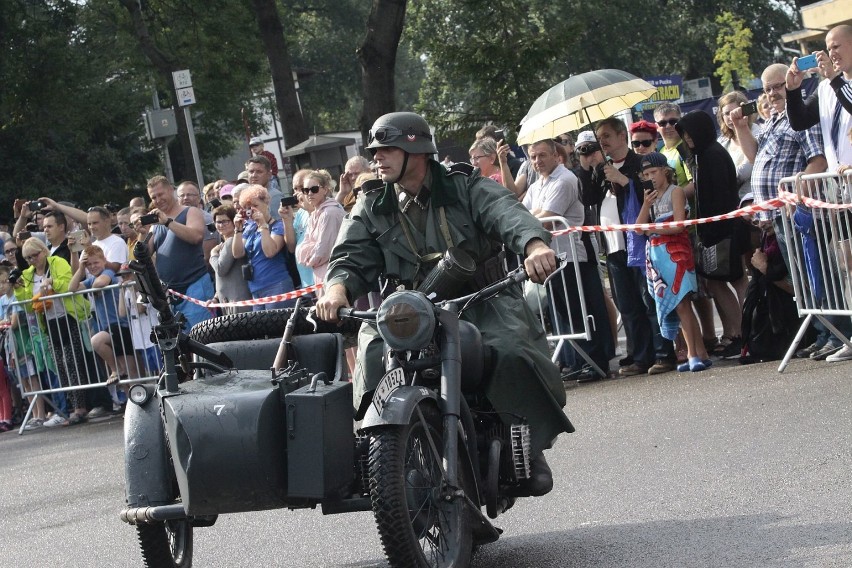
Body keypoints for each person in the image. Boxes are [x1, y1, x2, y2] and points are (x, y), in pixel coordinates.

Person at [317, 111, 575, 496]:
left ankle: (527, 446)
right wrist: (336, 290)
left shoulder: (463, 185)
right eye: (375, 151)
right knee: (372, 356)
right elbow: (350, 254)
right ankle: (379, 450)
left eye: (387, 149)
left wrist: (534, 244)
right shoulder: (373, 204)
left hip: (478, 298)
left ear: (416, 151)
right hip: (408, 310)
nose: (378, 159)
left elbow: (506, 212)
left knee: (510, 350)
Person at [580, 117, 676, 376]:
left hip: (638, 243)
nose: (603, 143)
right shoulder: (602, 167)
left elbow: (651, 191)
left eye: (607, 136)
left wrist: (623, 180)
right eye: (599, 138)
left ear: (622, 136)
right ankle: (641, 356)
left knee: (649, 300)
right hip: (613, 246)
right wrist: (587, 168)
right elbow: (587, 198)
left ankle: (663, 353)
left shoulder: (638, 163)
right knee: (628, 305)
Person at [523, 139, 614, 381]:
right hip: (553, 259)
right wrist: (532, 216)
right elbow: (523, 213)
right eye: (533, 157)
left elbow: (548, 216)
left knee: (582, 309)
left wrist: (531, 217)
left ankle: (594, 360)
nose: (537, 161)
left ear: (556, 155)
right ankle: (574, 361)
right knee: (561, 312)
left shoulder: (564, 179)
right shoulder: (536, 185)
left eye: (542, 155)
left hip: (575, 256)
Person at [677, 110, 749, 358]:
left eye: (688, 134)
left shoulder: (713, 156)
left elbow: (718, 198)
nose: (686, 139)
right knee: (718, 282)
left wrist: (711, 230)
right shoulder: (703, 156)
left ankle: (744, 332)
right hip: (715, 231)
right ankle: (741, 332)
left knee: (731, 281)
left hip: (722, 230)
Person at [634, 152, 709, 371]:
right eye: (646, 174)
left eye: (654, 172)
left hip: (677, 252)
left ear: (665, 171)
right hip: (659, 256)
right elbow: (638, 228)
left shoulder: (675, 192)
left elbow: (679, 225)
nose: (651, 177)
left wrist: (653, 229)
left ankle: (693, 353)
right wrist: (646, 206)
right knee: (678, 306)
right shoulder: (651, 197)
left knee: (683, 303)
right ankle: (700, 352)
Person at [15, 237, 92, 425]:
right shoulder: (28, 274)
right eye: (28, 258)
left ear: (43, 250)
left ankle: (80, 408)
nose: (33, 260)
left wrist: (51, 282)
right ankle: (72, 407)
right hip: (48, 322)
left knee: (72, 361)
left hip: (68, 316)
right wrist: (18, 289)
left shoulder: (57, 262)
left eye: (35, 255)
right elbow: (27, 305)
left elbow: (68, 285)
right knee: (60, 366)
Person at [145, 175, 214, 331]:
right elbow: (145, 253)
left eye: (160, 194)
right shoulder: (155, 222)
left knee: (205, 336)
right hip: (171, 294)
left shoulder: (191, 212)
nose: (157, 199)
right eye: (153, 197)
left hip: (195, 285)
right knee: (183, 345)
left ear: (171, 190)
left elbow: (196, 236)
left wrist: (168, 222)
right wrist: (142, 233)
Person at [69, 246, 134, 389]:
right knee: (125, 380)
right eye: (89, 264)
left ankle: (116, 370)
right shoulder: (91, 279)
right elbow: (72, 288)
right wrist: (80, 269)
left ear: (104, 260)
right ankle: (119, 373)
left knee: (97, 342)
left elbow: (101, 283)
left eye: (95, 263)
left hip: (120, 325)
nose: (92, 267)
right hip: (109, 328)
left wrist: (93, 286)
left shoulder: (108, 272)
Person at [232, 184, 297, 310]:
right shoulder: (249, 227)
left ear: (266, 203)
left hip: (276, 285)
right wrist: (237, 230)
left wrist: (263, 225)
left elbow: (270, 252)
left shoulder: (277, 225)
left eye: (255, 206)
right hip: (256, 288)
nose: (251, 210)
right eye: (247, 208)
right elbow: (237, 253)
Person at [295, 169, 346, 286]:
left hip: (333, 275)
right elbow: (301, 248)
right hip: (321, 275)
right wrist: (309, 252)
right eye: (305, 190)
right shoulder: (314, 214)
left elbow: (322, 252)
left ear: (325, 190)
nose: (309, 193)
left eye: (314, 189)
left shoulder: (329, 213)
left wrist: (308, 256)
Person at [716, 91, 760, 199]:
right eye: (727, 113)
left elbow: (748, 168)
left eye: (735, 112)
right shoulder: (721, 141)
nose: (731, 117)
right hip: (731, 199)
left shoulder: (758, 133)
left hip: (752, 197)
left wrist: (725, 179)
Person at [209, 204, 251, 314]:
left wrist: (213, 254)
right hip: (227, 302)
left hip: (238, 302)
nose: (221, 225)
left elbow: (220, 269)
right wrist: (216, 298)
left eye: (225, 221)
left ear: (233, 222)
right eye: (218, 222)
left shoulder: (231, 242)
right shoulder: (223, 244)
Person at [177, 181, 218, 264]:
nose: (185, 198)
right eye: (182, 195)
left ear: (199, 198)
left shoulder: (207, 219)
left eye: (189, 195)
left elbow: (207, 256)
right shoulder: (175, 220)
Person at [246, 155, 283, 222]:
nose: (254, 175)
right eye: (251, 172)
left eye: (259, 172)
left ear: (269, 174)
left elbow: (279, 226)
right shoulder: (246, 196)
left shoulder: (274, 196)